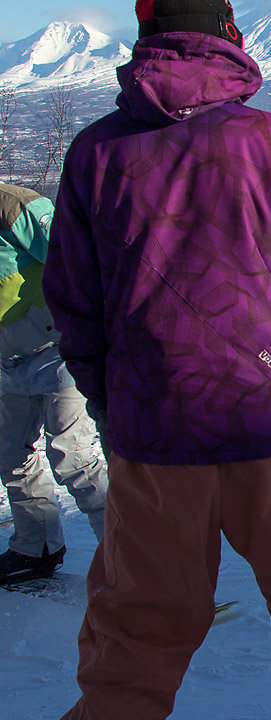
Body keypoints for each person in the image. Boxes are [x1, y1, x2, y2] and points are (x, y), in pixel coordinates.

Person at [42, 0, 271, 720]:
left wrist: (113, 401)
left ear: (146, 41)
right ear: (228, 36)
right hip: (269, 420)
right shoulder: (269, 141)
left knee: (130, 650)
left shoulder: (95, 153)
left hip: (153, 432)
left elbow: (73, 302)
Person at [0, 183, 107, 585]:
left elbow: (81, 265)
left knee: (73, 458)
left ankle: (131, 563)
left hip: (57, 350)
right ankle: (35, 548)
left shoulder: (15, 207)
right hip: (10, 360)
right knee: (11, 456)